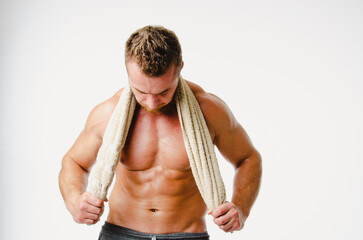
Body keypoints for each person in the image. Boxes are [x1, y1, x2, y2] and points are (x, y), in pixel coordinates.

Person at [59, 25, 262, 240]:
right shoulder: (108, 114)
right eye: (141, 92)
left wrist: (241, 207)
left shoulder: (209, 110)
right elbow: (73, 161)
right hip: (120, 233)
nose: (152, 102)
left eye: (163, 91)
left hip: (186, 235)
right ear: (127, 72)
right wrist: (73, 200)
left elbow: (248, 158)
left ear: (180, 68)